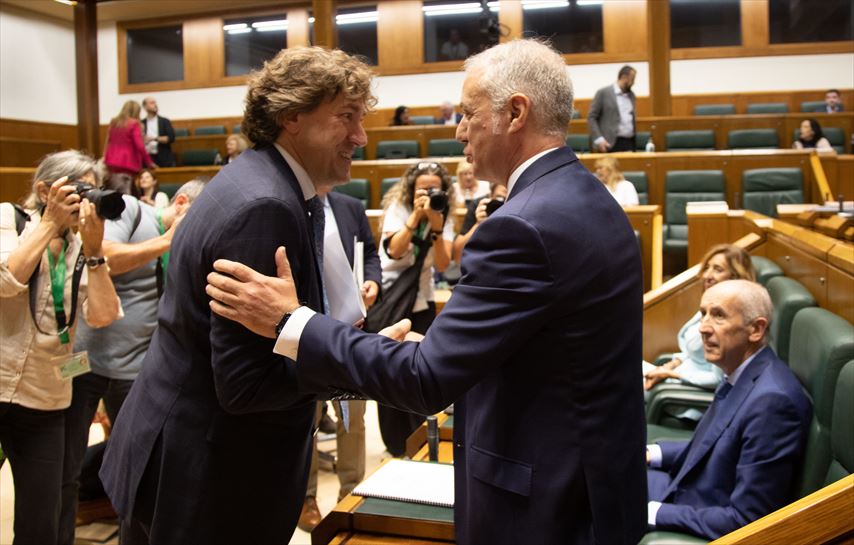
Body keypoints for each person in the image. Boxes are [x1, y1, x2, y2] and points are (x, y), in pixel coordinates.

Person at [207, 39, 647, 545]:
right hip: (593, 488)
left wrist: (292, 321)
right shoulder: (585, 195)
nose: (458, 130)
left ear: (515, 112)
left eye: (468, 113)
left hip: (545, 506)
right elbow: (550, 346)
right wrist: (438, 348)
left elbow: (426, 381)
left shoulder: (522, 226)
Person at [99, 46, 375, 545]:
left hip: (185, 449)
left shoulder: (259, 180)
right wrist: (350, 367)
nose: (360, 136)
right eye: (346, 118)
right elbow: (246, 386)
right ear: (292, 115)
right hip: (208, 476)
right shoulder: (265, 206)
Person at [60, 179, 206, 545]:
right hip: (89, 361)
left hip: (140, 364)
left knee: (138, 465)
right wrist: (168, 241)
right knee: (66, 465)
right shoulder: (127, 209)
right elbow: (101, 256)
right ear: (182, 203)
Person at [0, 150, 121, 545]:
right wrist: (48, 225)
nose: (85, 202)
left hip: (46, 396)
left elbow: (102, 315)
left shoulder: (78, 248)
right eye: (78, 190)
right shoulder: (7, 219)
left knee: (42, 516)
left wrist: (96, 252)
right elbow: (6, 281)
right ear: (43, 190)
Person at [646, 280, 811, 540]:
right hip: (687, 488)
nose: (703, 328)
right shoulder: (742, 372)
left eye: (718, 316)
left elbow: (747, 519)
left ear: (756, 329)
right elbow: (712, 445)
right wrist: (651, 453)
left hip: (698, 508)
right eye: (703, 314)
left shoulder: (773, 403)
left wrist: (653, 512)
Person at [299, 186, 381, 532]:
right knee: (308, 421)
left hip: (352, 330)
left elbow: (371, 254)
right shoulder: (292, 204)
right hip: (308, 333)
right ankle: (306, 497)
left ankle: (352, 491)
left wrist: (373, 282)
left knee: (354, 419)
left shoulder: (350, 206)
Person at [371, 162, 455, 457]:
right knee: (388, 369)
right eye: (423, 188)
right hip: (393, 298)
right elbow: (394, 250)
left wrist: (436, 225)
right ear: (411, 189)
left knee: (422, 370)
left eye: (435, 188)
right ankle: (394, 443)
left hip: (422, 299)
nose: (429, 193)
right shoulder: (399, 207)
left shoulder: (443, 209)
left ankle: (418, 440)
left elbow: (444, 264)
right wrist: (417, 216)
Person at [644, 244, 756, 395]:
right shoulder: (712, 303)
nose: (707, 275)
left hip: (686, 392)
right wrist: (669, 366)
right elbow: (693, 353)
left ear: (735, 277)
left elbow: (719, 379)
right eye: (707, 267)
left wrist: (672, 374)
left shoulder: (729, 319)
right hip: (675, 380)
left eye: (718, 269)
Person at [452, 181, 507, 262]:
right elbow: (458, 256)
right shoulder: (479, 206)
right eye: (499, 198)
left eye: (509, 200)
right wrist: (478, 224)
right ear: (490, 196)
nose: (504, 205)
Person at [588, 65, 637, 153]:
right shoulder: (603, 93)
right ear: (623, 77)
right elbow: (592, 117)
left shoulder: (631, 95)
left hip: (629, 142)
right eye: (632, 79)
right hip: (609, 143)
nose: (633, 82)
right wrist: (599, 139)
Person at [104, 100, 156, 176]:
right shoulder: (134, 123)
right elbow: (140, 146)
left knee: (115, 186)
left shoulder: (114, 122)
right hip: (128, 162)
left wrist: (105, 157)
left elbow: (108, 141)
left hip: (111, 160)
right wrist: (149, 162)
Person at [141, 97, 177, 167]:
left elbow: (171, 138)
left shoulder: (164, 121)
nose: (155, 105)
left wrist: (153, 138)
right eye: (152, 103)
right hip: (147, 157)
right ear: (145, 107)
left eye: (155, 102)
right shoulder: (142, 123)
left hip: (163, 157)